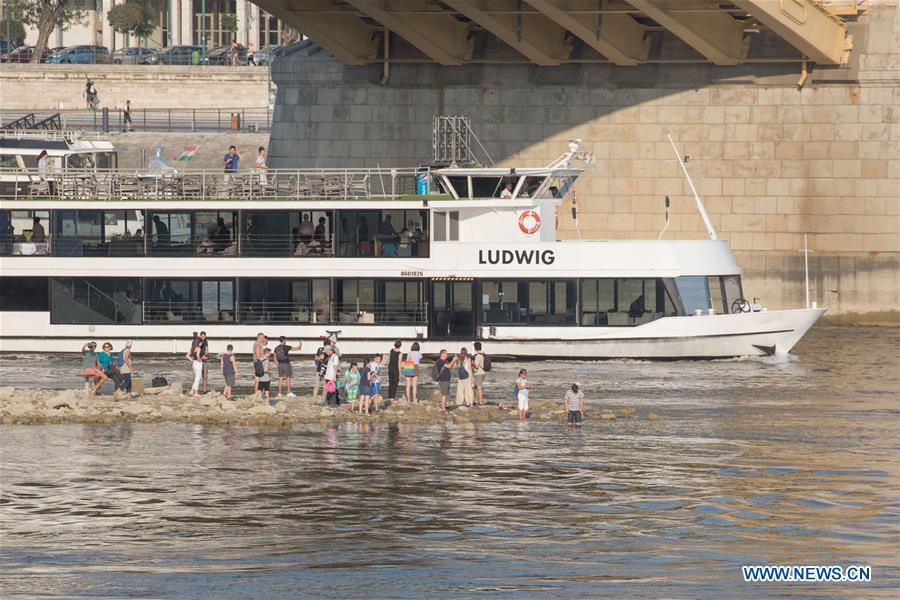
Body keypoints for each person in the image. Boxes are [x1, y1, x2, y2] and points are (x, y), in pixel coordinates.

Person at [435, 349, 456, 415]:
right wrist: (453, 360)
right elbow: (449, 366)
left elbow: (452, 367)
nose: (447, 355)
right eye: (446, 353)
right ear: (442, 354)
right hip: (443, 380)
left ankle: (444, 406)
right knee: (444, 394)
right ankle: (443, 409)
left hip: (446, 380)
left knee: (446, 394)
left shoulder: (445, 361)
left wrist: (455, 361)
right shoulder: (440, 361)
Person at [472, 341, 487, 407]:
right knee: (476, 387)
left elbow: (477, 366)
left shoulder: (478, 356)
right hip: (482, 372)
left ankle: (480, 402)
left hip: (479, 373)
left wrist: (472, 363)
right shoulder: (483, 354)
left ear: (475, 348)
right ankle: (477, 401)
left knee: (478, 387)